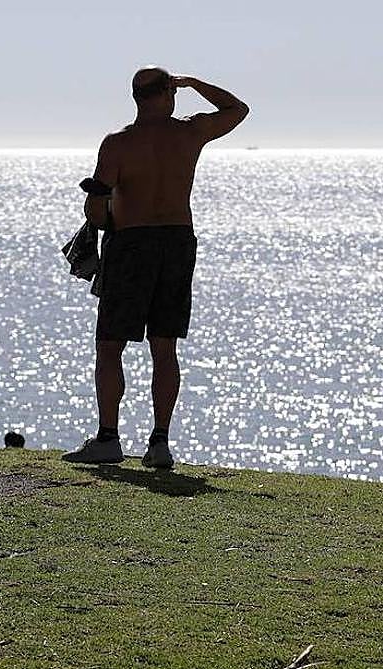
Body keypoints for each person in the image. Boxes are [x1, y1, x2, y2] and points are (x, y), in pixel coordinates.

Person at [62, 67, 249, 468]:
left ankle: (108, 438)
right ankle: (160, 443)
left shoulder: (118, 144)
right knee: (164, 347)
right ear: (169, 92)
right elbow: (237, 109)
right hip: (177, 242)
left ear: (135, 96)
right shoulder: (190, 133)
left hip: (131, 244)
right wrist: (195, 83)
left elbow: (96, 211)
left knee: (110, 345)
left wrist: (102, 221)